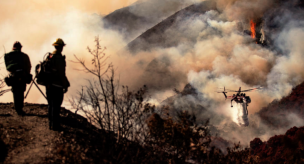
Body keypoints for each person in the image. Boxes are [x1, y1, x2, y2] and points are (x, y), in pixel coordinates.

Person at [46, 38, 70, 130]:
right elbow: (61, 74)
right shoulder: (59, 58)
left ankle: (50, 124)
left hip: (49, 85)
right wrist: (65, 85)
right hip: (57, 86)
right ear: (61, 47)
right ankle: (55, 125)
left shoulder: (50, 56)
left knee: (50, 104)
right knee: (56, 105)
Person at [4, 41, 31, 115]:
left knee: (15, 92)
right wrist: (27, 74)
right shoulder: (24, 56)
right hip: (23, 76)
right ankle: (20, 108)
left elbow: (8, 67)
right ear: (20, 48)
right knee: (21, 91)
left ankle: (17, 109)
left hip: (14, 76)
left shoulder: (8, 55)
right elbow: (28, 66)